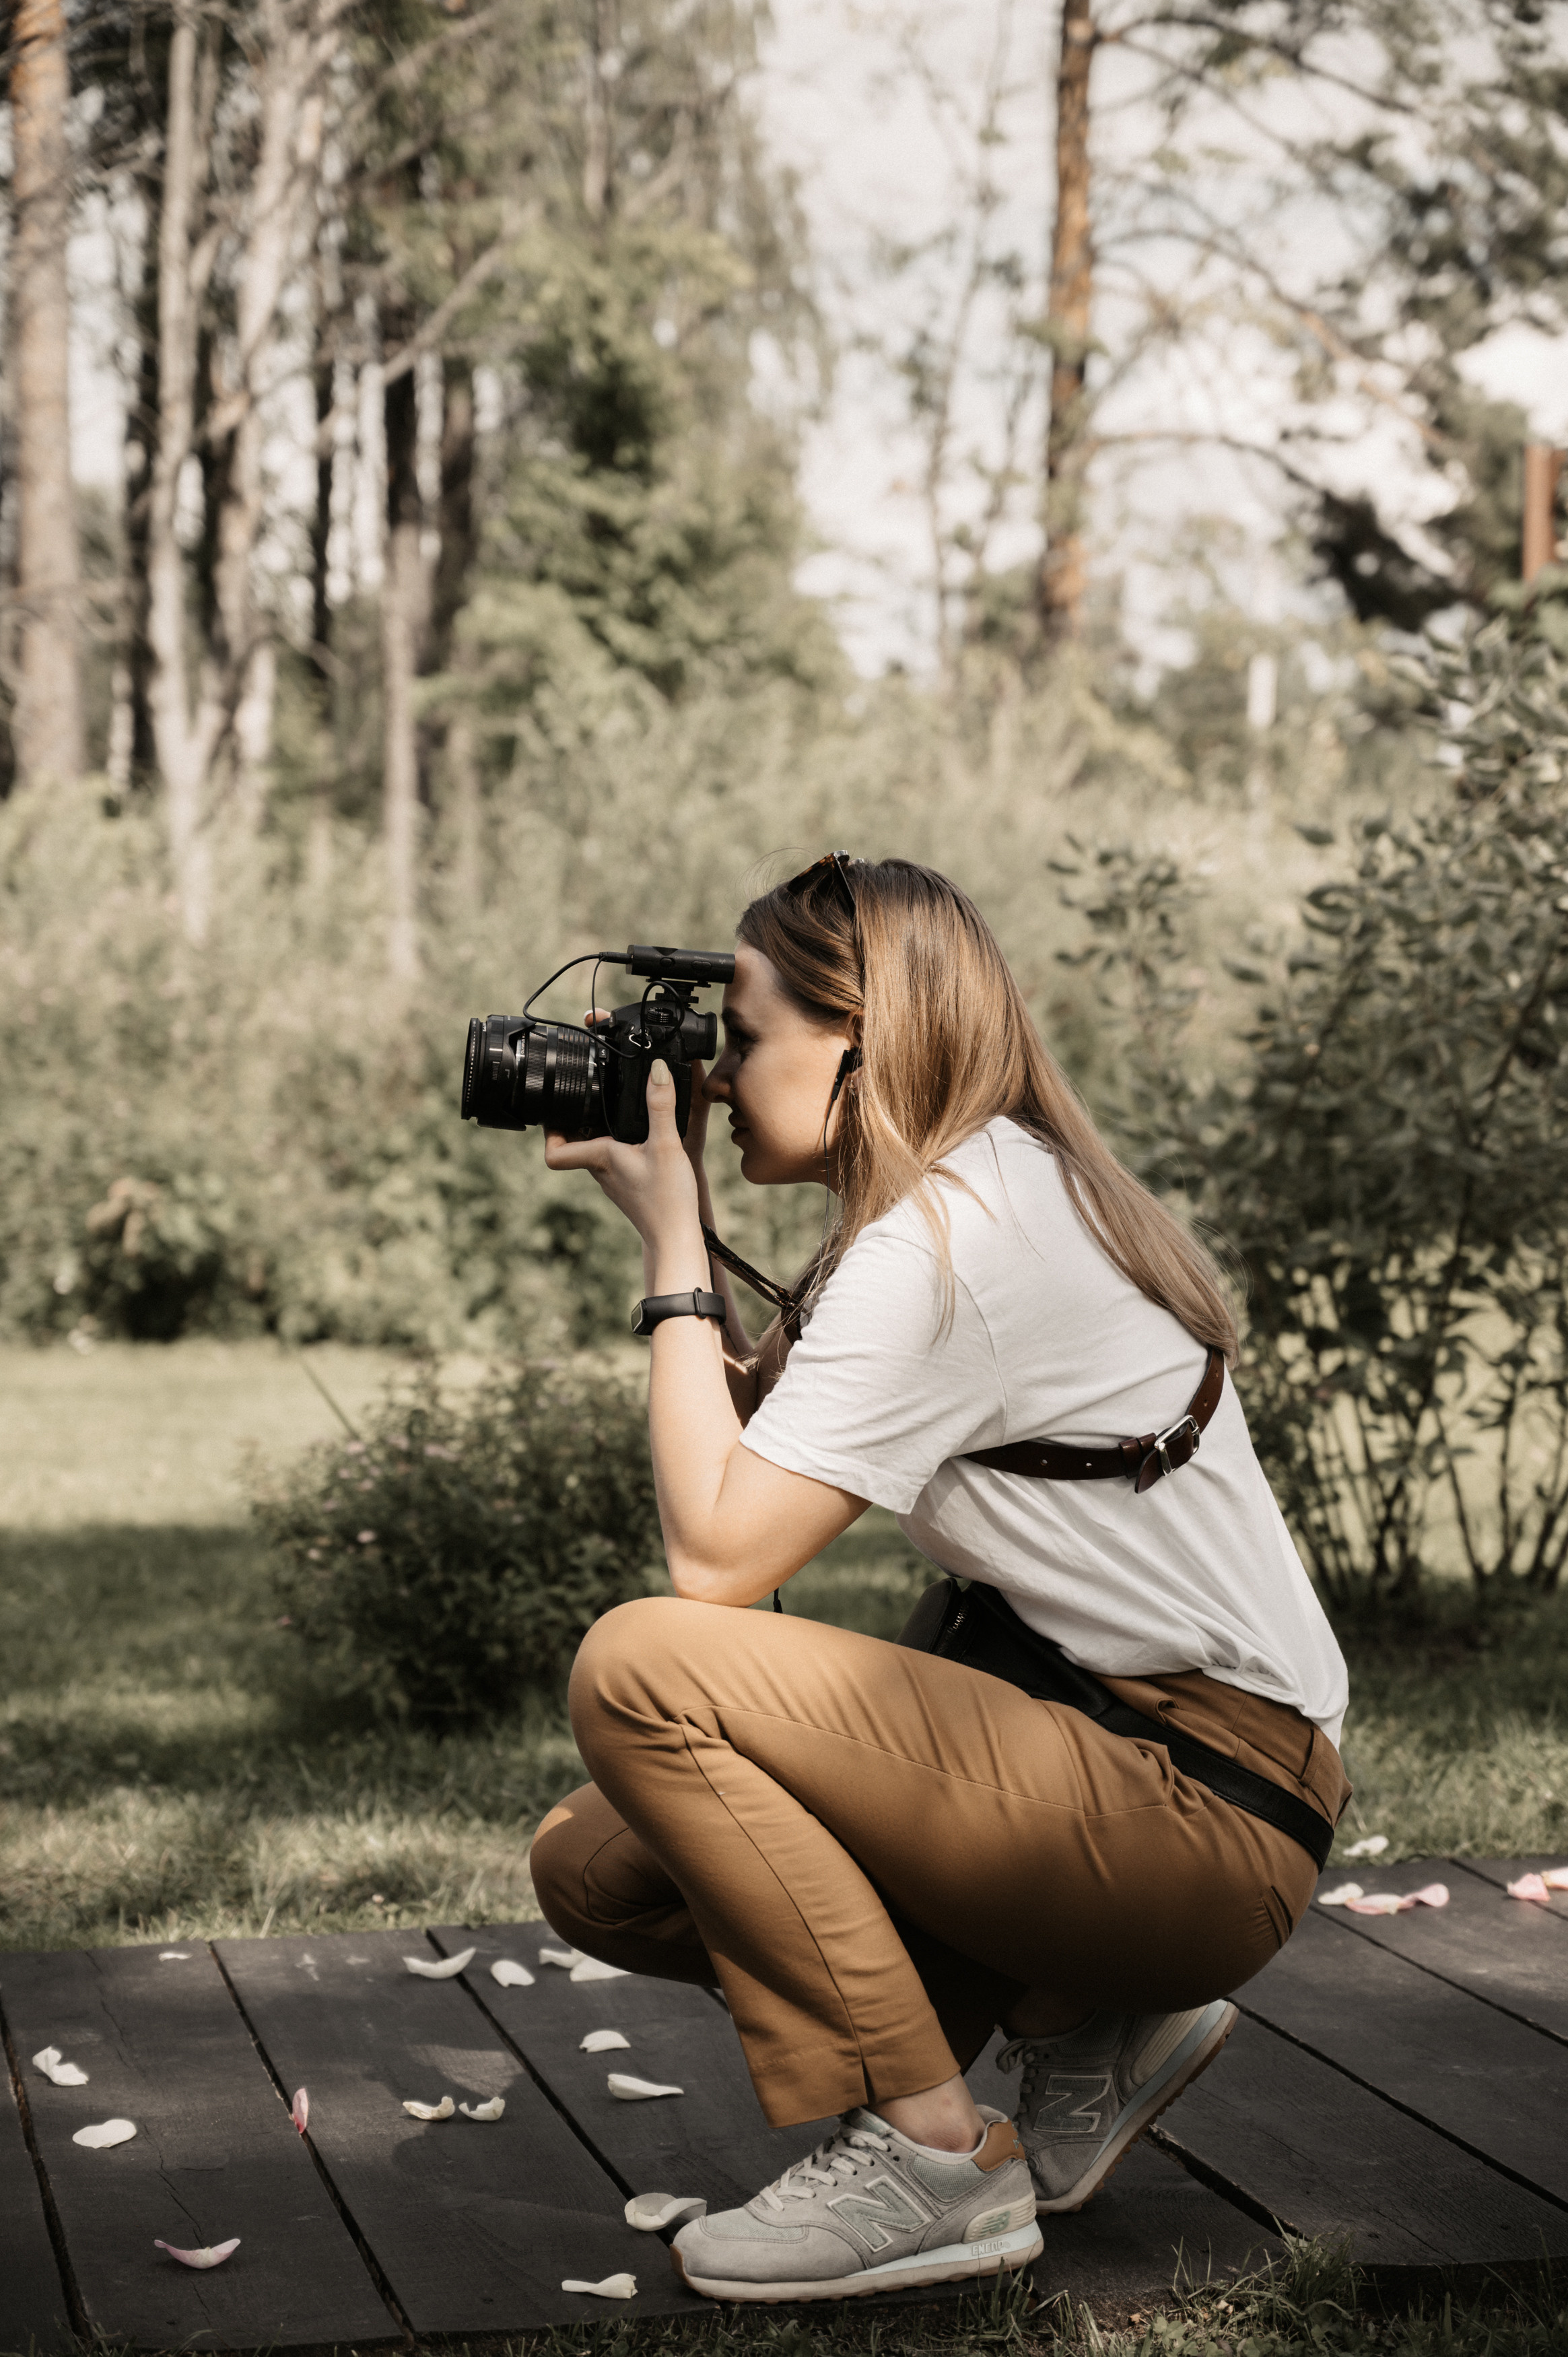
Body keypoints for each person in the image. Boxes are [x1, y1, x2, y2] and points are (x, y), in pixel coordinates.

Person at [531, 855, 1349, 2306]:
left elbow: (716, 1557)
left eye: (743, 1036)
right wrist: (668, 1224)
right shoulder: (956, 1201)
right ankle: (1080, 2007)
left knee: (639, 1666)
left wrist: (674, 1248)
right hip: (1122, 1761)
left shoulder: (949, 1243)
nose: (714, 1079)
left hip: (1200, 1807)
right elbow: (754, 1453)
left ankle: (933, 2159)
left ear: (864, 1039)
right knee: (594, 1870)